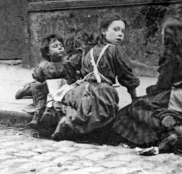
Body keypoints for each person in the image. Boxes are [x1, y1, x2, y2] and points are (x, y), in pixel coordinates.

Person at [40, 13, 140, 141]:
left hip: (79, 91)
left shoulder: (90, 50)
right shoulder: (114, 49)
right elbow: (127, 75)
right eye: (115, 29)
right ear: (103, 31)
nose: (120, 34)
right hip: (101, 90)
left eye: (122, 31)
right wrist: (135, 98)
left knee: (86, 107)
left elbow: (80, 70)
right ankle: (69, 122)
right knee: (105, 113)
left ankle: (68, 116)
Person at [112, 16, 182, 153]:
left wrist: (152, 90)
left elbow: (163, 85)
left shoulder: (170, 55)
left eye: (163, 32)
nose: (161, 34)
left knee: (137, 106)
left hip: (174, 97)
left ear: (169, 35)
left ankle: (163, 132)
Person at [24, 34, 82, 129]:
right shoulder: (43, 66)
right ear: (47, 52)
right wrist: (42, 85)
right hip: (45, 88)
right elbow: (38, 80)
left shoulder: (66, 64)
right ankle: (37, 116)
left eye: (61, 46)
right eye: (55, 46)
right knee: (41, 98)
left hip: (58, 89)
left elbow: (70, 79)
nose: (60, 48)